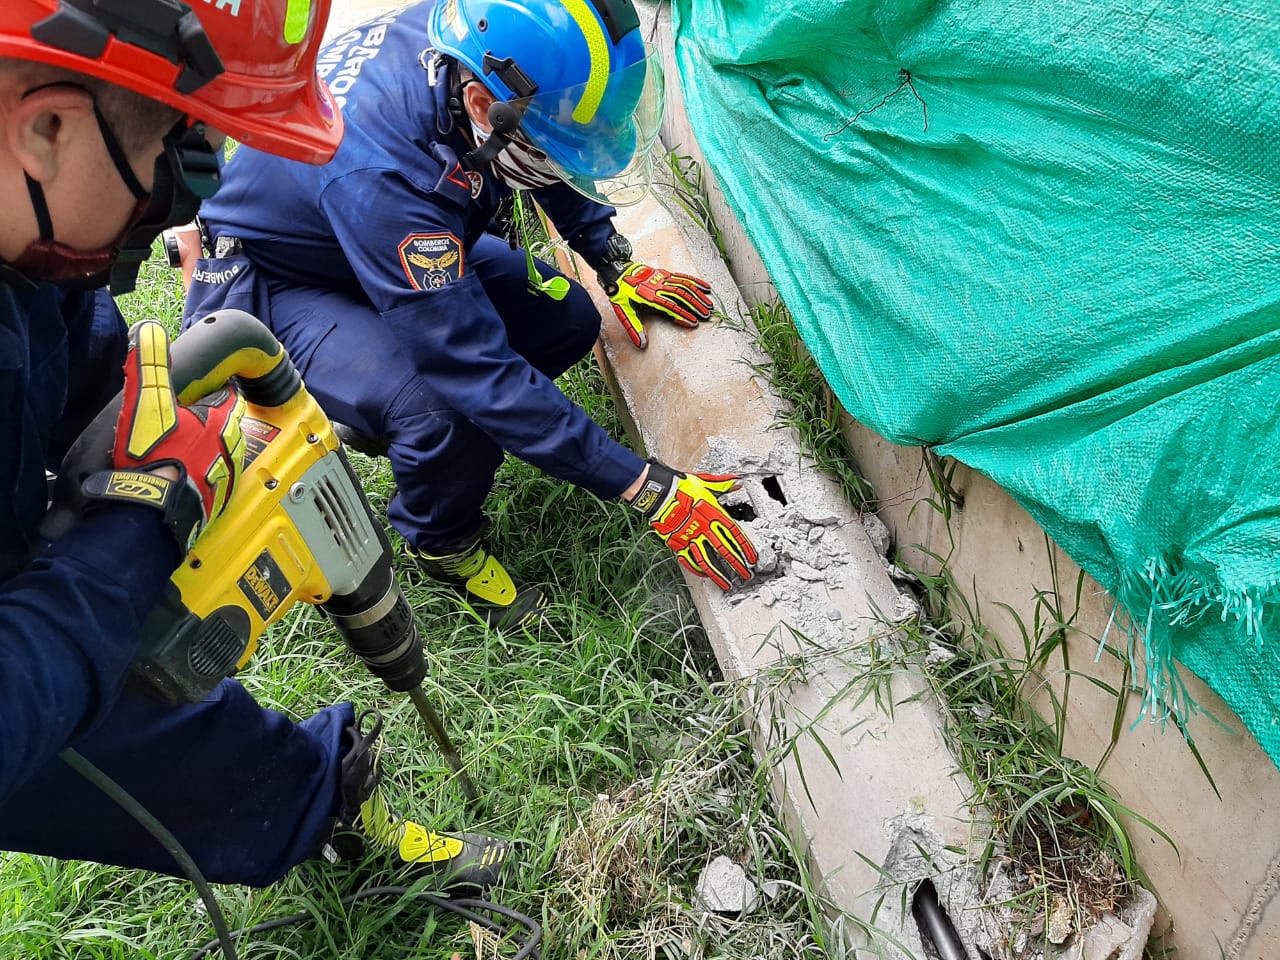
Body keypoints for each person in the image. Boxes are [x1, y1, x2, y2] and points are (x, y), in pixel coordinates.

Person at [0, 0, 508, 894]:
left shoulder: (28, 246)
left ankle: (315, 812)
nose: (184, 201)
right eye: (178, 155)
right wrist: (142, 520)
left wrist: (150, 418)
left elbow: (69, 349)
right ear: (47, 129)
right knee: (73, 691)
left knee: (132, 693)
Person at [178, 0, 760, 630]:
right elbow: (475, 369)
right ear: (483, 108)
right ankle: (440, 539)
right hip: (281, 281)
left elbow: (554, 149)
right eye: (546, 140)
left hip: (352, 230)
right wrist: (644, 485)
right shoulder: (392, 175)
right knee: (442, 404)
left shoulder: (474, 49)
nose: (560, 152)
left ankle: (405, 421)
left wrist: (610, 260)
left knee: (567, 318)